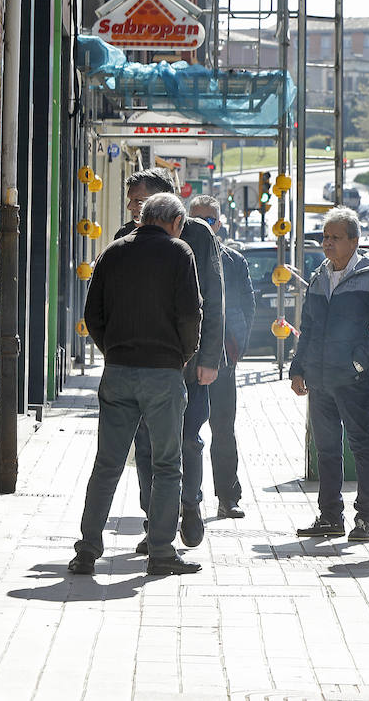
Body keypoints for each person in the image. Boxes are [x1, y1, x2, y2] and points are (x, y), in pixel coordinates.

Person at [71, 192, 203, 576]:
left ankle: (87, 550)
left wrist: (112, 349)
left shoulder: (113, 252)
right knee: (166, 464)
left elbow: (92, 313)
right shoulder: (180, 253)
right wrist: (182, 355)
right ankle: (161, 551)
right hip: (163, 373)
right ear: (175, 223)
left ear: (143, 218)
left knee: (107, 464)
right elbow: (190, 314)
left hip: (119, 370)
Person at [114, 170, 225, 551]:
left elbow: (213, 299)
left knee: (187, 440)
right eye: (130, 200)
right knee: (145, 445)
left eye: (139, 200)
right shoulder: (123, 240)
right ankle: (154, 522)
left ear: (166, 201)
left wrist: (209, 357)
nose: (132, 206)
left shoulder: (198, 235)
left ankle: (190, 504)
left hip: (191, 364)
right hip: (144, 365)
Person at [289, 207, 369, 542]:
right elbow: (308, 325)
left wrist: (359, 364)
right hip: (320, 379)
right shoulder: (319, 274)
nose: (327, 243)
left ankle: (366, 520)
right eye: (325, 237)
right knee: (327, 449)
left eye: (334, 238)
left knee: (362, 446)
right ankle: (330, 516)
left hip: (354, 379)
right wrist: (298, 367)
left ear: (354, 241)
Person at [188, 194, 255, 519]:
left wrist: (235, 349)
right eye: (197, 219)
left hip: (222, 363)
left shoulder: (233, 260)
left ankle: (228, 496)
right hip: (184, 361)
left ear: (220, 223)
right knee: (185, 432)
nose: (205, 226)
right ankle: (188, 497)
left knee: (223, 429)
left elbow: (246, 308)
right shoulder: (179, 256)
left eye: (210, 219)